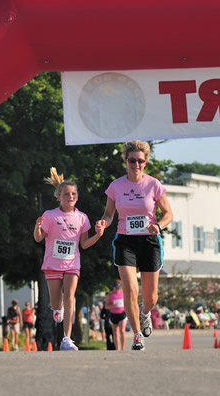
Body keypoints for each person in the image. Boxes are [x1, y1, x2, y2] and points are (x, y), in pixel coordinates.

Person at [96, 140, 173, 351]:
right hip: (125, 240)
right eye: (132, 160)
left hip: (149, 240)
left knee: (151, 297)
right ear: (125, 161)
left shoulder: (153, 184)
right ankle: (137, 335)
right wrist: (104, 222)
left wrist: (159, 225)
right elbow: (109, 214)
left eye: (140, 161)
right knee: (130, 289)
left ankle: (145, 313)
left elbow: (168, 214)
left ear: (145, 162)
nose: (136, 164)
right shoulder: (116, 186)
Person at [34, 168, 105, 351]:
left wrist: (98, 234)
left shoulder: (82, 218)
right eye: (66, 194)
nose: (70, 196)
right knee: (56, 302)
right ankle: (57, 310)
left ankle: (67, 338)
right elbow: (38, 238)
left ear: (77, 197)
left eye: (73, 194)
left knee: (70, 297)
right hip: (52, 264)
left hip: (72, 264)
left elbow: (85, 244)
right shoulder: (50, 215)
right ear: (59, 196)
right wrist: (37, 227)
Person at [105, 280, 127, 350]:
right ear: (113, 287)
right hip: (114, 314)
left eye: (119, 287)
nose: (118, 289)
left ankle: (123, 348)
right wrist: (113, 306)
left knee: (122, 331)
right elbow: (106, 306)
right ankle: (117, 348)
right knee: (115, 332)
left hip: (122, 313)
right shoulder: (110, 295)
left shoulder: (123, 293)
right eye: (116, 287)